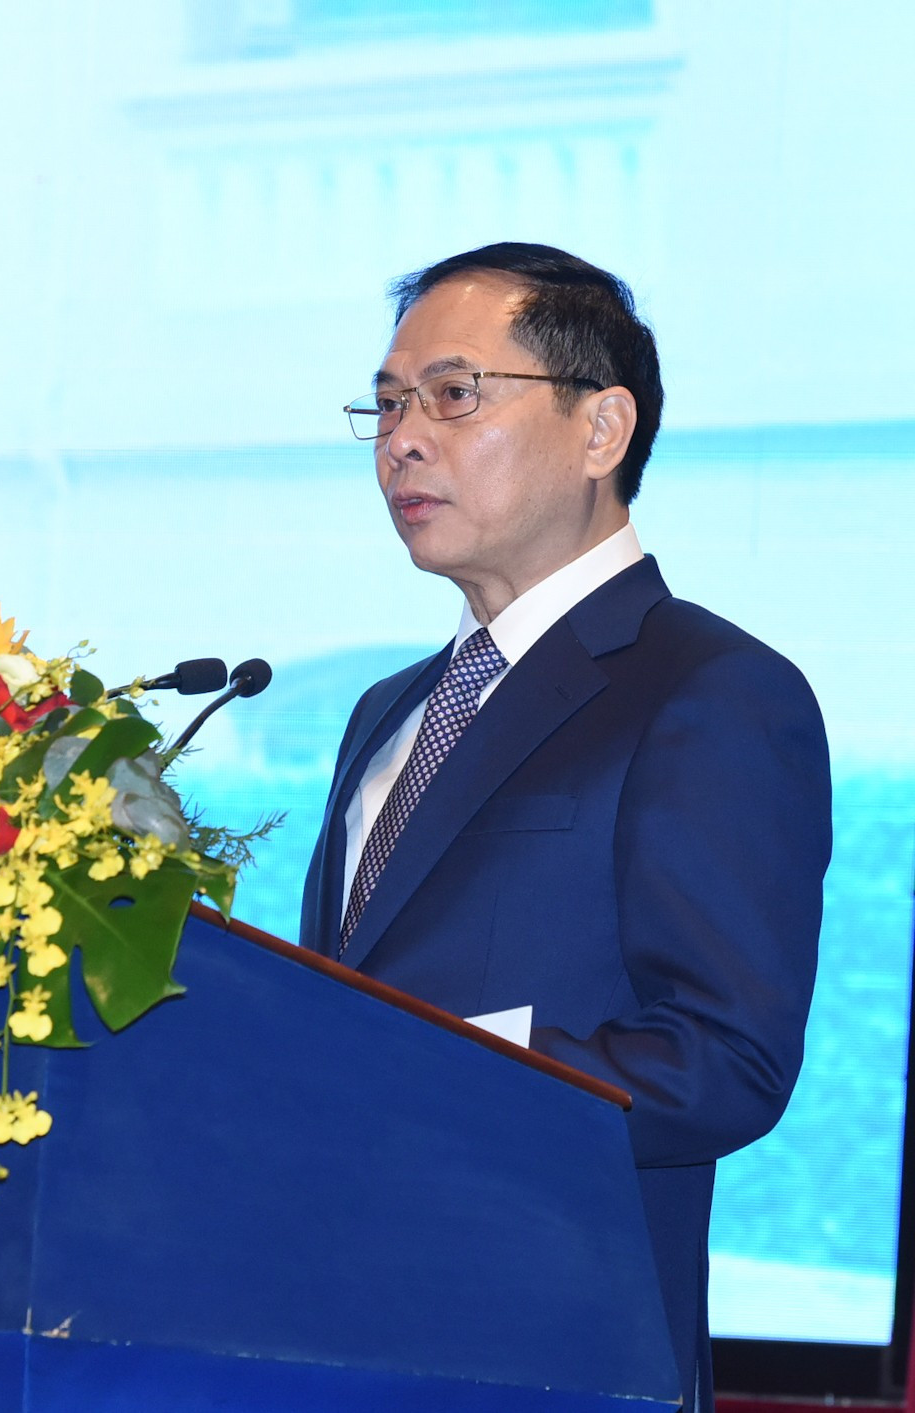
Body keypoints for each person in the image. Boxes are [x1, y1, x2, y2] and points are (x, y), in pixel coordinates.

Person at [296, 242, 830, 1412]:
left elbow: (722, 1061)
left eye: (453, 394)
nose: (402, 441)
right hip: (332, 1344)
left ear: (601, 429)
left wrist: (414, 1073)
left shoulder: (711, 691)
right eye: (387, 404)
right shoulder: (386, 715)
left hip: (550, 1361)